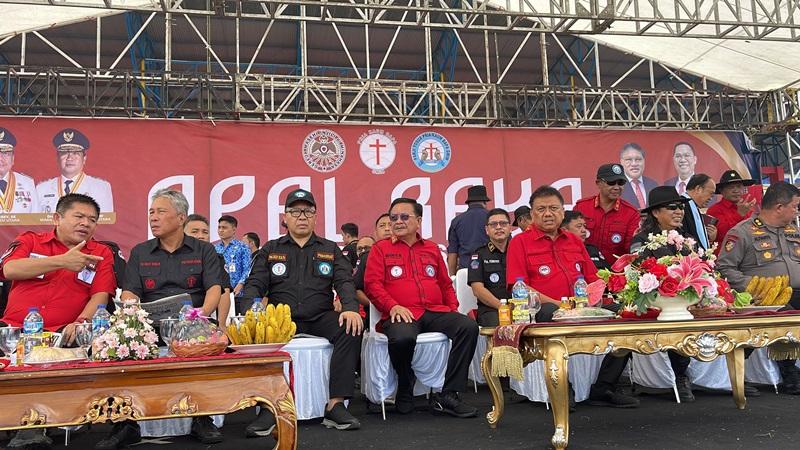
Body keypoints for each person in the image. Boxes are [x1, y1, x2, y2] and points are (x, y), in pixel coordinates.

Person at [100, 190, 223, 450]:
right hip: (149, 324)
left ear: (181, 218)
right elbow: (131, 290)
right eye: (151, 213)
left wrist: (200, 314)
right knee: (122, 343)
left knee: (202, 340)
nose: (153, 218)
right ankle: (125, 424)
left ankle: (202, 418)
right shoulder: (141, 251)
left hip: (193, 319)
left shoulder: (204, 249)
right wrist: (131, 314)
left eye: (160, 212)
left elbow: (215, 288)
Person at [0, 194, 116, 450]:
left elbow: (100, 294)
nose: (86, 223)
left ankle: (31, 427)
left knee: (52, 354)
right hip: (13, 330)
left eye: (93, 220)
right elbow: (9, 270)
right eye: (79, 216)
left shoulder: (100, 253)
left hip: (64, 332)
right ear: (57, 218)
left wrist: (82, 321)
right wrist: (62, 261)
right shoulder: (30, 240)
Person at [506, 185, 638, 408]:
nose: (548, 213)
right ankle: (562, 388)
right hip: (544, 308)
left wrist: (602, 293)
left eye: (553, 208)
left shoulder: (574, 240)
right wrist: (558, 304)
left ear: (562, 211)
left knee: (625, 316)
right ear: (531, 214)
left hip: (581, 305)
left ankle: (604, 387)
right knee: (549, 314)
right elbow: (519, 286)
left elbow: (593, 278)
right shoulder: (520, 242)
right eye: (541, 209)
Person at [243, 189, 362, 434]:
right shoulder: (271, 248)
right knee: (259, 333)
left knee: (351, 329)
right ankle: (269, 408)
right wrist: (251, 310)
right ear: (285, 217)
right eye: (295, 211)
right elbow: (255, 282)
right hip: (281, 319)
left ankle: (336, 404)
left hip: (320, 316)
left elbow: (344, 281)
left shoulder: (329, 248)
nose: (302, 216)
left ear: (316, 217)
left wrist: (350, 308)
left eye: (308, 211)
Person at [365, 197, 479, 417]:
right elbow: (372, 285)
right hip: (401, 313)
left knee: (468, 327)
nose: (397, 221)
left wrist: (453, 308)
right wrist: (393, 306)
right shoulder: (380, 249)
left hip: (435, 311)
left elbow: (445, 284)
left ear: (418, 221)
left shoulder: (432, 249)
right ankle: (405, 382)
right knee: (402, 338)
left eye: (404, 217)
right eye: (393, 217)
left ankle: (449, 394)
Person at [717, 182, 800, 395]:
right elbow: (724, 267)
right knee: (784, 311)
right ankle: (789, 373)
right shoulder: (743, 232)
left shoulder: (794, 230)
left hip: (796, 291)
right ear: (779, 207)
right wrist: (754, 287)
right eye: (795, 206)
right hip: (762, 296)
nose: (797, 211)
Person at [629, 186, 697, 402]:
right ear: (656, 213)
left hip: (684, 300)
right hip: (655, 301)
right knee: (675, 318)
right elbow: (637, 274)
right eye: (672, 207)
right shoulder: (642, 240)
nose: (679, 212)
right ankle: (680, 375)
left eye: (681, 207)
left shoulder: (685, 240)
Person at [573, 163, 640, 265]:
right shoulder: (581, 207)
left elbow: (631, 250)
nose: (617, 187)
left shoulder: (631, 214)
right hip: (582, 271)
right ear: (598, 183)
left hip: (615, 275)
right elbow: (570, 240)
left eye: (621, 183)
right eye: (611, 182)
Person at [36, 128, 113, 213]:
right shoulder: (42, 189)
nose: (70, 158)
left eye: (75, 153)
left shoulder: (101, 187)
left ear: (84, 158)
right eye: (65, 153)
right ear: (57, 158)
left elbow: (106, 223)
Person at [185, 214, 233, 325]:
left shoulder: (216, 258)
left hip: (203, 319)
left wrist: (221, 324)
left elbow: (224, 291)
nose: (201, 236)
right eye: (195, 232)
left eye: (205, 232)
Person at [468, 208, 512, 326]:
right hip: (492, 310)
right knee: (499, 326)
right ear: (487, 230)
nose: (498, 227)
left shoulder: (519, 251)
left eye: (503, 223)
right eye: (493, 224)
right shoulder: (479, 255)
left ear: (510, 227)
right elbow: (477, 290)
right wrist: (503, 307)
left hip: (520, 308)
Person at [353, 214, 393, 316]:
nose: (387, 229)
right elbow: (356, 289)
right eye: (382, 226)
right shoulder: (366, 257)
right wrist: (375, 305)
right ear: (375, 233)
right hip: (378, 315)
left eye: (390, 224)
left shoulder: (411, 252)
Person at [707, 170, 757, 252]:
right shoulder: (714, 210)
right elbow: (723, 234)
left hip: (748, 255)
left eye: (738, 186)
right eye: (731, 187)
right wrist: (739, 215)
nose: (736, 190)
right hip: (726, 257)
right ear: (721, 191)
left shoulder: (748, 208)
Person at [447, 185, 491, 275]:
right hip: (490, 269)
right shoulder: (493, 218)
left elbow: (452, 254)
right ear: (484, 202)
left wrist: (452, 278)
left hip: (466, 271)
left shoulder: (457, 221)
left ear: (468, 203)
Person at [215, 215, 251, 314]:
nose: (221, 230)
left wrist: (241, 284)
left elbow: (247, 268)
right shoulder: (215, 248)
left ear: (234, 230)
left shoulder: (243, 247)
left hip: (238, 294)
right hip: (220, 295)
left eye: (224, 227)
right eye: (219, 227)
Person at [0, 127, 38, 213]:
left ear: (13, 159)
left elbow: (35, 218)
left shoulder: (27, 183)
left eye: (5, 153)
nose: (1, 158)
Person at [683, 174, 718, 250]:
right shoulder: (681, 207)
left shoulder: (693, 206)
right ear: (698, 189)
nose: (711, 198)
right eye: (711, 194)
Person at [619, 143, 658, 209]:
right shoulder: (617, 186)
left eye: (638, 159)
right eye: (629, 160)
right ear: (621, 162)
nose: (634, 164)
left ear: (644, 161)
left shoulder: (653, 185)